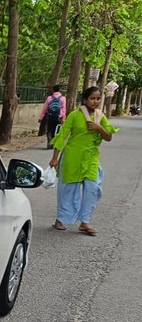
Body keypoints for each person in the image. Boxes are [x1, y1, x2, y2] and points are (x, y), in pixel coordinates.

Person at [49, 86, 118, 236]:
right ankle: (61, 219)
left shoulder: (100, 116)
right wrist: (55, 158)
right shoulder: (74, 115)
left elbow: (108, 137)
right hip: (72, 157)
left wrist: (99, 128)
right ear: (85, 100)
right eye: (92, 98)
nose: (95, 101)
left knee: (92, 189)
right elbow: (62, 136)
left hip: (91, 158)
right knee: (68, 190)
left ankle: (85, 222)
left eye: (98, 98)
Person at [39, 84, 66, 148]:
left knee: (49, 129)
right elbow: (63, 109)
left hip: (50, 116)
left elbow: (45, 108)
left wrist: (41, 117)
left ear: (53, 90)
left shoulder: (49, 98)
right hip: (58, 116)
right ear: (60, 90)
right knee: (57, 129)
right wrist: (63, 118)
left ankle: (49, 138)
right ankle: (53, 142)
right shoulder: (63, 98)